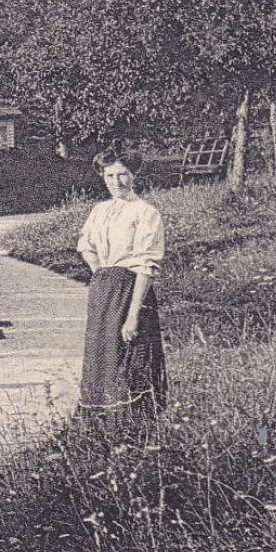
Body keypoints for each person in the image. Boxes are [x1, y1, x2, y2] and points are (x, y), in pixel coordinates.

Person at [76, 149, 167, 421]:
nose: (116, 182)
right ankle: (100, 423)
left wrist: (132, 316)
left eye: (122, 175)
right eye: (110, 175)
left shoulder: (145, 212)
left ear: (133, 175)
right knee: (101, 355)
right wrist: (101, 271)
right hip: (104, 289)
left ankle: (134, 423)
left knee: (130, 355)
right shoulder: (100, 210)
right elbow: (85, 245)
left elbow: (146, 266)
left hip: (132, 291)